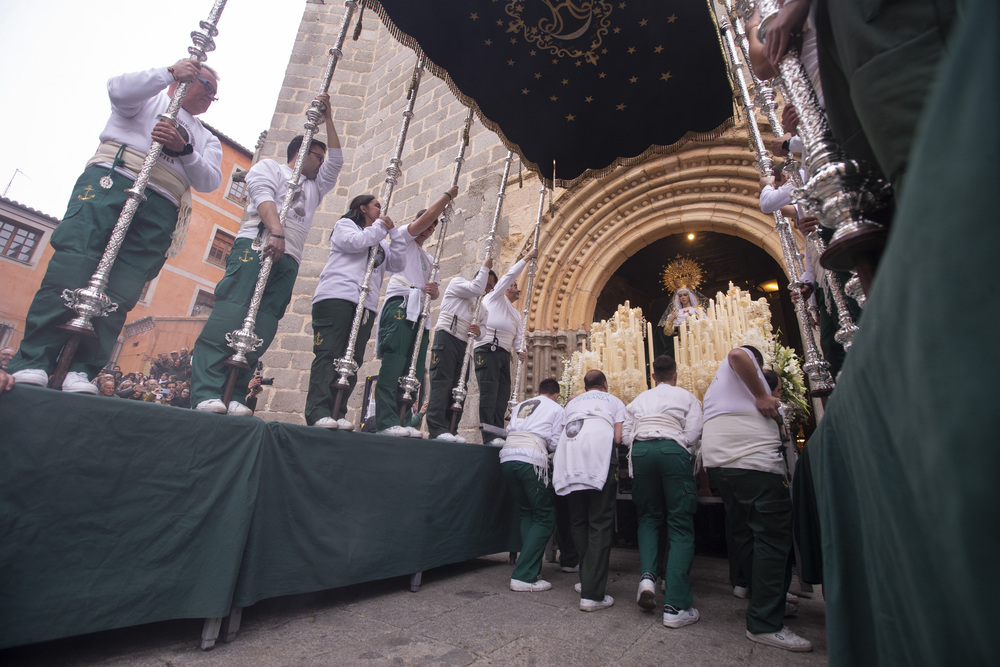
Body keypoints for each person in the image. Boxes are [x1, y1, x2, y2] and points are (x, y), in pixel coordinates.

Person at [7, 60, 223, 393]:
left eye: (214, 94)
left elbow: (208, 180)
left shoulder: (206, 137)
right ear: (187, 76)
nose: (209, 96)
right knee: (74, 264)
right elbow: (118, 89)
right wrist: (168, 73)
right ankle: (35, 358)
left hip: (161, 203)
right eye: (205, 85)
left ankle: (83, 367)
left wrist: (184, 149)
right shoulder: (149, 99)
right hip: (114, 179)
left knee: (124, 286)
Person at [190, 93, 343, 415]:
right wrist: (275, 232)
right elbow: (263, 198)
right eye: (317, 156)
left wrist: (328, 118)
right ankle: (206, 390)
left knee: (264, 322)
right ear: (302, 153)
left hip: (290, 257)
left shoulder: (315, 186)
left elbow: (338, 160)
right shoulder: (269, 168)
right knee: (233, 312)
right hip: (258, 243)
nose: (322, 162)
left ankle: (234, 391)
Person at [702, 346, 811, 652]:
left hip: (726, 463)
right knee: (773, 536)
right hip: (750, 461)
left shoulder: (719, 389)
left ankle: (765, 598)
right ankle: (765, 622)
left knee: (750, 531)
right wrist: (763, 396)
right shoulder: (741, 365)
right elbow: (738, 354)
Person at [304, 193, 401, 429]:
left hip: (364, 304)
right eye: (376, 205)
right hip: (337, 296)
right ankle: (318, 412)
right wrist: (380, 226)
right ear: (363, 208)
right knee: (330, 354)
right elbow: (356, 243)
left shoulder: (379, 240)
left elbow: (398, 264)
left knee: (353, 359)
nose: (381, 210)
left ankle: (338, 410)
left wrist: (395, 234)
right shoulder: (345, 225)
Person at [622, 355, 704, 628]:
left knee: (648, 517)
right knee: (680, 522)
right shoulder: (688, 397)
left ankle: (647, 578)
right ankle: (676, 605)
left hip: (642, 451)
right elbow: (693, 435)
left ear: (653, 376)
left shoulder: (640, 399)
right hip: (672, 450)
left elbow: (624, 436)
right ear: (676, 375)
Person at [373, 188, 458, 437]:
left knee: (414, 367)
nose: (429, 230)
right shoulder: (403, 237)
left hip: (420, 311)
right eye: (427, 225)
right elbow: (424, 219)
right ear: (416, 222)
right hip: (401, 304)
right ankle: (386, 421)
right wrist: (446, 197)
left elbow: (435, 291)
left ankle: (404, 419)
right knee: (395, 361)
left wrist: (433, 292)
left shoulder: (430, 258)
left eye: (433, 229)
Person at [553, 369, 625, 612]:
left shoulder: (572, 404)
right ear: (605, 384)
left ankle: (587, 579)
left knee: (579, 521)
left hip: (570, 459)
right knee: (600, 522)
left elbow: (563, 431)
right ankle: (593, 594)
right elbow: (618, 438)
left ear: (585, 387)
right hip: (599, 460)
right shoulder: (615, 401)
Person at [501, 378, 566, 592]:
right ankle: (524, 575)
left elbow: (509, 428)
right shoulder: (556, 409)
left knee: (527, 513)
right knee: (546, 516)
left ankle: (533, 568)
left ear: (539, 391)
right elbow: (556, 442)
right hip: (531, 459)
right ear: (556, 395)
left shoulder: (521, 404)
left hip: (507, 457)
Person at [426, 257, 497, 441]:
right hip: (447, 337)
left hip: (464, 345)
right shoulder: (459, 284)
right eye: (487, 285)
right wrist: (485, 267)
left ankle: (451, 427)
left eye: (491, 288)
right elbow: (475, 289)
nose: (487, 290)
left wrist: (479, 331)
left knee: (459, 387)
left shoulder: (482, 308)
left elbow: (483, 330)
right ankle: (437, 428)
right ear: (479, 278)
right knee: (442, 382)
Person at [474, 250, 536, 443]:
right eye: (515, 285)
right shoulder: (493, 297)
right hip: (487, 349)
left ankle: (498, 433)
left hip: (502, 353)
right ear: (506, 287)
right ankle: (488, 435)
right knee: (489, 392)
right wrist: (525, 259)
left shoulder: (516, 314)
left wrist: (520, 349)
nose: (517, 289)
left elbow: (518, 335)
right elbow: (510, 275)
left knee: (502, 395)